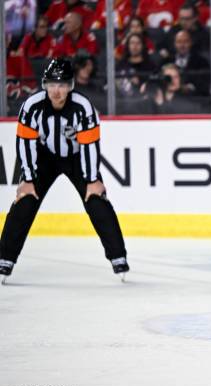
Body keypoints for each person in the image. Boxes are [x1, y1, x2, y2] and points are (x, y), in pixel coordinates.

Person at [0, 58, 129, 283]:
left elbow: (90, 145)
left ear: (70, 86)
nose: (56, 91)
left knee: (97, 199)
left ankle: (118, 257)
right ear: (44, 85)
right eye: (51, 84)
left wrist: (91, 179)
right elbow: (24, 143)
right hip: (44, 158)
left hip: (76, 157)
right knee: (25, 200)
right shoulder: (31, 107)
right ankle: (4, 259)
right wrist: (28, 178)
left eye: (61, 85)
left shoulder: (83, 107)